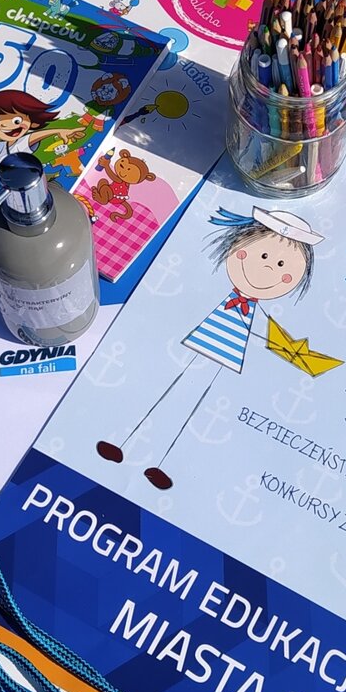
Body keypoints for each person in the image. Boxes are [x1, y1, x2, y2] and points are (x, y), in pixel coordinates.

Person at [96, 205, 323, 490]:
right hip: (199, 342)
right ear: (240, 251)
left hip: (225, 352)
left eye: (281, 266)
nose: (267, 267)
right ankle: (121, 442)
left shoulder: (258, 315)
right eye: (264, 256)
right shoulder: (216, 293)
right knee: (163, 387)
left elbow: (267, 337)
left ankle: (162, 462)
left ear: (289, 278)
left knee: (195, 403)